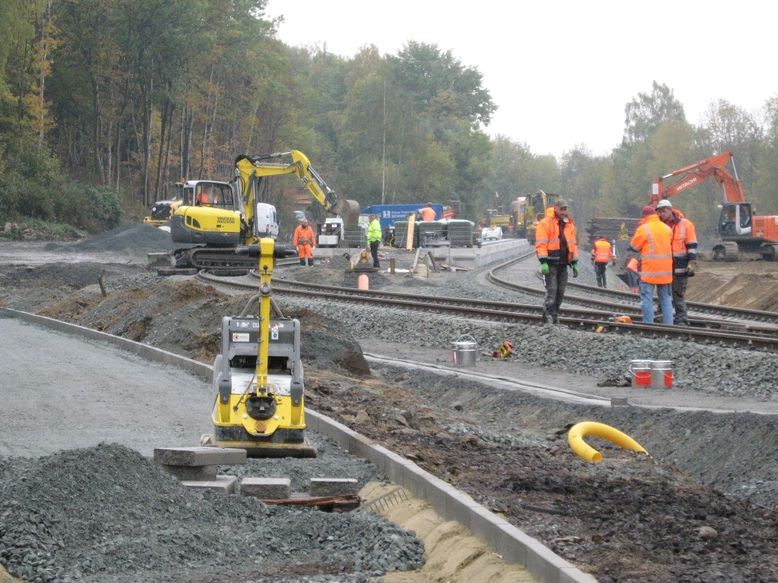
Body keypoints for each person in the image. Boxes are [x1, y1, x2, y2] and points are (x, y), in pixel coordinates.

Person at [535, 199, 578, 324]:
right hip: (550, 262)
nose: (564, 212)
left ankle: (555, 314)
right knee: (552, 290)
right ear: (555, 208)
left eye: (566, 209)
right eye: (562, 209)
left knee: (561, 291)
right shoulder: (545, 223)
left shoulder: (569, 224)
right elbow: (541, 243)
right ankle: (547, 314)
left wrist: (574, 262)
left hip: (564, 263)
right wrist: (543, 261)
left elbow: (572, 244)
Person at [656, 199, 698, 325]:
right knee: (663, 294)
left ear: (670, 209)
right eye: (659, 212)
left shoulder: (686, 224)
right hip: (664, 266)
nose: (661, 214)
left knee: (678, 295)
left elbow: (691, 244)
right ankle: (662, 318)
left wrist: (692, 262)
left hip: (680, 267)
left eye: (663, 211)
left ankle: (681, 320)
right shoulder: (658, 225)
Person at [629, 205, 673, 324]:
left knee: (647, 299)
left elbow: (634, 247)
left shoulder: (644, 228)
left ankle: (648, 325)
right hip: (666, 271)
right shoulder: (667, 229)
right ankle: (670, 326)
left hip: (650, 271)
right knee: (666, 299)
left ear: (644, 216)